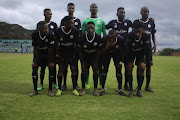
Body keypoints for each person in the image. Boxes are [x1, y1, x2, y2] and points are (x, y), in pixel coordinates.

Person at [106, 7, 132, 91]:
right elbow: (104, 27)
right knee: (118, 67)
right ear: (117, 13)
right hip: (116, 50)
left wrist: (150, 20)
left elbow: (136, 26)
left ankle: (126, 84)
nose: (122, 14)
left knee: (127, 68)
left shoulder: (128, 22)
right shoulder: (113, 23)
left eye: (124, 12)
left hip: (126, 49)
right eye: (121, 12)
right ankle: (119, 86)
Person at [82, 3, 107, 90]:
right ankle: (87, 83)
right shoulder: (85, 21)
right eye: (92, 7)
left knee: (99, 66)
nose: (94, 8)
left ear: (97, 9)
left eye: (95, 7)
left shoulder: (101, 21)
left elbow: (104, 33)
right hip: (88, 46)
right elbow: (83, 34)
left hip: (97, 46)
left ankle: (100, 83)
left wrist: (104, 44)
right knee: (86, 66)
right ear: (90, 9)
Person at [54, 16, 79, 96]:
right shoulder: (58, 31)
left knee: (73, 70)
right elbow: (56, 43)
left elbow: (77, 44)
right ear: (65, 23)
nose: (73, 25)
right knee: (61, 70)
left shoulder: (75, 31)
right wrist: (58, 54)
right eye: (71, 23)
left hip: (72, 53)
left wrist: (75, 55)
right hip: (62, 53)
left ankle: (74, 89)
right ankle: (59, 89)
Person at [29, 21, 55, 97]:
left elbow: (51, 49)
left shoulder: (50, 35)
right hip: (39, 54)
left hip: (48, 54)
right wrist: (35, 61)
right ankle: (35, 90)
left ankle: (50, 89)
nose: (46, 30)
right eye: (44, 29)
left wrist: (51, 61)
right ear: (39, 29)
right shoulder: (35, 34)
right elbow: (35, 48)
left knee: (51, 68)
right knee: (34, 67)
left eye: (47, 28)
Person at [134, 6, 156, 92]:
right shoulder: (137, 22)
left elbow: (153, 34)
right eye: (144, 11)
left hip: (148, 47)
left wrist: (154, 45)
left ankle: (147, 85)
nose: (146, 13)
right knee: (139, 66)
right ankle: (138, 86)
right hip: (139, 47)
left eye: (147, 11)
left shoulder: (151, 22)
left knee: (149, 66)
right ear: (141, 12)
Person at [60, 3, 81, 90]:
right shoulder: (63, 20)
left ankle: (75, 84)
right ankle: (64, 84)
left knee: (75, 67)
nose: (71, 9)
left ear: (74, 9)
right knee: (64, 67)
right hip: (64, 48)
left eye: (72, 8)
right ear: (67, 9)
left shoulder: (78, 21)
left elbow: (79, 35)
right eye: (69, 8)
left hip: (73, 48)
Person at [126, 21, 150, 97]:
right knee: (129, 68)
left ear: (142, 30)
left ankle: (139, 90)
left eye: (139, 31)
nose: (137, 34)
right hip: (131, 53)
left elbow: (145, 50)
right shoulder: (129, 36)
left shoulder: (146, 36)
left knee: (141, 68)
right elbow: (128, 49)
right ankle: (131, 90)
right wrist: (130, 61)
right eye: (135, 32)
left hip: (141, 53)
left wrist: (142, 61)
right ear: (133, 30)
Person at [37, 8, 58, 91]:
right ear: (44, 14)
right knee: (42, 68)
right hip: (42, 51)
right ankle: (41, 84)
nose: (50, 15)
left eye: (51, 14)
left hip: (52, 50)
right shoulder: (40, 24)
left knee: (53, 67)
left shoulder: (54, 25)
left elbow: (56, 38)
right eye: (48, 14)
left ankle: (54, 83)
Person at [78, 22, 102, 96]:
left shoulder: (98, 37)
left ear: (94, 29)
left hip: (94, 56)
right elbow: (80, 51)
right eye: (89, 28)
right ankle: (83, 88)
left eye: (92, 28)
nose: (90, 30)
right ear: (86, 29)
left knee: (95, 70)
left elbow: (99, 51)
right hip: (85, 56)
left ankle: (95, 89)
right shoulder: (82, 37)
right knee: (84, 70)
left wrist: (96, 62)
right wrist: (82, 62)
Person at [99, 29, 126, 96]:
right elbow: (101, 52)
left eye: (112, 38)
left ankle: (120, 88)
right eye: (109, 38)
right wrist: (107, 46)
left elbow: (124, 52)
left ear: (116, 36)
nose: (111, 40)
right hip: (106, 54)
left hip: (117, 54)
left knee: (118, 69)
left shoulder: (121, 40)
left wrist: (121, 62)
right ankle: (102, 88)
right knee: (105, 69)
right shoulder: (104, 39)